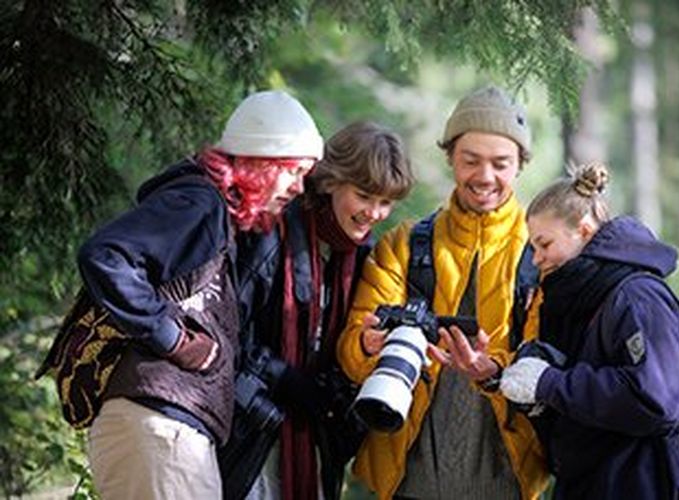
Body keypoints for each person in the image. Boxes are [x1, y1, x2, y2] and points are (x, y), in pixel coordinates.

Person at [79, 90, 323, 499]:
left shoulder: (211, 214)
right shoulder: (200, 203)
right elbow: (105, 256)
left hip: (166, 431)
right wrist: (173, 339)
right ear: (261, 163)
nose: (299, 188)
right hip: (159, 428)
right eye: (294, 171)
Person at [337, 86, 549, 500]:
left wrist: (493, 371)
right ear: (450, 157)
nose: (484, 176)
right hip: (405, 478)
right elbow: (350, 352)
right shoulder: (404, 244)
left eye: (500, 164)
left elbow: (546, 360)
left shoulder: (540, 253)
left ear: (520, 166)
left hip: (507, 480)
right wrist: (366, 344)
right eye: (470, 161)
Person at [231, 121, 415, 500]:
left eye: (386, 202)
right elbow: (229, 331)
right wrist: (288, 381)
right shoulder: (273, 231)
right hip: (250, 430)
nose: (375, 213)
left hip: (312, 443)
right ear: (331, 181)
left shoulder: (364, 258)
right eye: (365, 196)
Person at [500, 162, 679, 499]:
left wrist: (549, 383)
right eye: (533, 248)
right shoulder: (574, 299)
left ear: (585, 231)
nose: (536, 259)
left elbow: (660, 401)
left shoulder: (637, 295)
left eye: (544, 244)